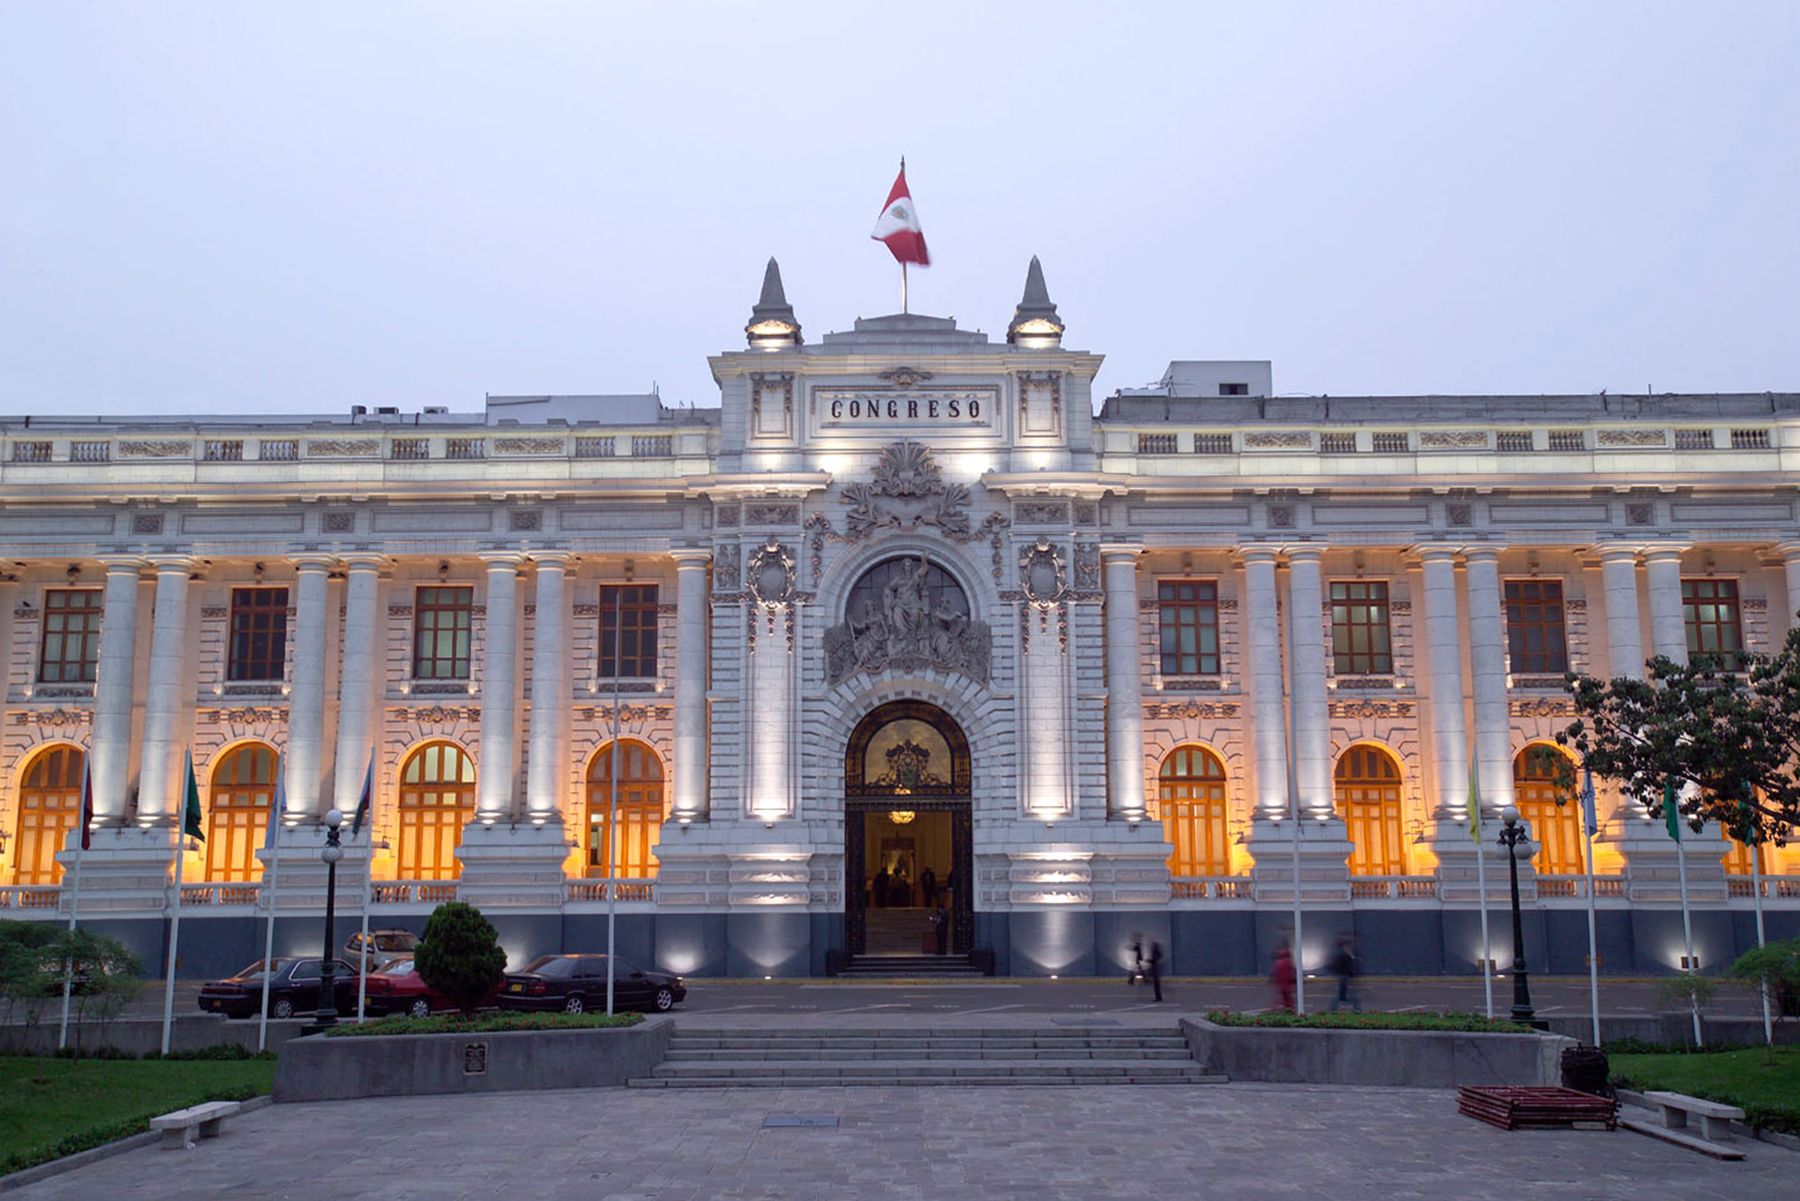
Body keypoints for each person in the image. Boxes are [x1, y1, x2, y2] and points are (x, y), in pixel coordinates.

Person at [1329, 932, 1361, 1013]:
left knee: (1344, 993)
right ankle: (1356, 1008)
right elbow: (1344, 964)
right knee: (1344, 993)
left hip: (1344, 975)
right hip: (1344, 975)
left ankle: (1334, 1008)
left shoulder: (1342, 951)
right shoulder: (1343, 953)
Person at [1270, 940, 1297, 1012]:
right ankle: (1290, 1010)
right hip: (1286, 982)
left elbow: (1275, 972)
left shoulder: (1278, 962)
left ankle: (1276, 1010)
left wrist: (1273, 978)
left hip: (1281, 981)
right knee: (1287, 998)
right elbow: (1292, 971)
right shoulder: (1287, 961)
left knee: (1282, 997)